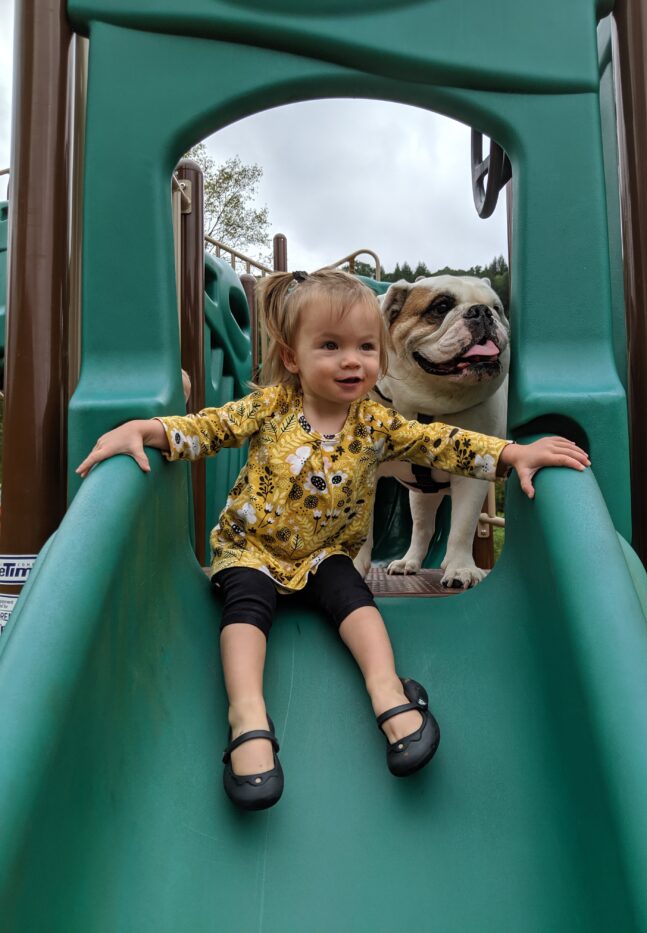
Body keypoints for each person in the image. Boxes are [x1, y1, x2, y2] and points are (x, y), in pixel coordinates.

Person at [76, 269, 590, 812]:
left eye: (367, 347)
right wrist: (146, 430)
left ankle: (388, 692)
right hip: (253, 550)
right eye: (331, 346)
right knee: (244, 610)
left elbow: (442, 443)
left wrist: (513, 455)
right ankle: (247, 715)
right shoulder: (270, 407)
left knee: (357, 601)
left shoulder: (376, 422)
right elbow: (207, 429)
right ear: (293, 357)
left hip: (324, 555)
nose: (352, 360)